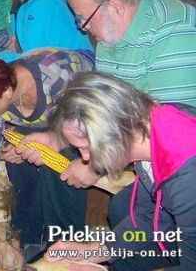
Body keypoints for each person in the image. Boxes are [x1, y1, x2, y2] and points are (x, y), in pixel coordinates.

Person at [0, 49, 95, 260]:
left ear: (6, 92)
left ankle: (66, 244)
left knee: (59, 166)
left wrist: (58, 141)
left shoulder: (55, 78)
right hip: (50, 124)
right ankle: (29, 234)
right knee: (16, 149)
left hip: (88, 119)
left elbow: (97, 124)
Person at [42, 72, 196, 270]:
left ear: (114, 131)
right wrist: (94, 251)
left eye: (87, 148)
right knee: (122, 256)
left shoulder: (187, 177)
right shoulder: (150, 129)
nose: (86, 158)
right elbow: (148, 216)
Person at [66, 0, 196, 106]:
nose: (84, 27)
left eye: (85, 18)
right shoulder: (110, 30)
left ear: (116, 7)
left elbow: (173, 125)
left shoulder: (174, 34)